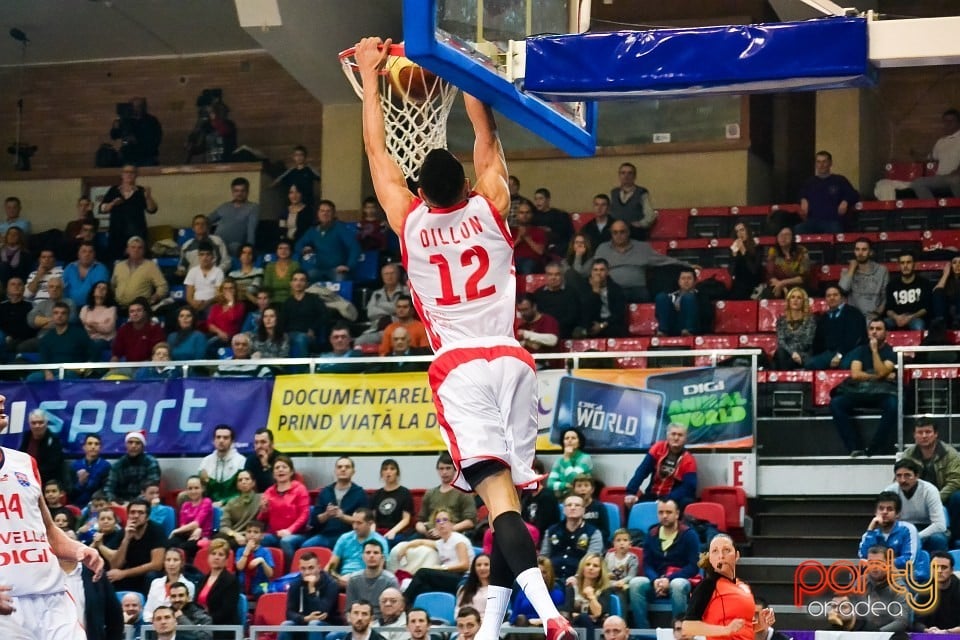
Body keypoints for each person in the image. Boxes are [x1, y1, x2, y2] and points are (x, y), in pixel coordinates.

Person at [358, 35, 575, 640]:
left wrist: (374, 77)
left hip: (460, 366)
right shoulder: (493, 204)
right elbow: (488, 138)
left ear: (422, 191)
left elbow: (376, 149)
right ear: (468, 185)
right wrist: (473, 75)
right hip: (512, 358)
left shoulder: (409, 218)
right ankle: (492, 627)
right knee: (510, 502)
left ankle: (551, 615)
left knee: (501, 506)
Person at [0, 393, 105, 635]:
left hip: (52, 597)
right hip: (7, 605)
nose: (3, 398)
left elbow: (47, 531)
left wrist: (79, 549)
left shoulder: (25, 463)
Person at [627, 499, 700, 628]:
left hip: (681, 579)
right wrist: (655, 580)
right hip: (657, 580)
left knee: (677, 585)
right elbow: (647, 564)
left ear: (677, 514)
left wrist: (669, 579)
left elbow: (693, 566)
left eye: (668, 512)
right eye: (661, 512)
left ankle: (679, 630)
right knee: (635, 583)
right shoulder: (652, 534)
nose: (664, 516)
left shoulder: (689, 535)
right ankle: (643, 631)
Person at [829, 319, 898, 457]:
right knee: (836, 403)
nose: (874, 332)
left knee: (894, 405)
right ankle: (854, 447)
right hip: (859, 391)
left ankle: (874, 448)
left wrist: (874, 352)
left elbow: (881, 372)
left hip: (882, 393)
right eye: (871, 328)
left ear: (886, 333)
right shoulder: (860, 350)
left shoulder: (891, 352)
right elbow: (856, 374)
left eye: (878, 329)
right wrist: (879, 376)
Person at [682, 534, 770, 640]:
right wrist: (725, 630)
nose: (721, 556)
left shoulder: (744, 586)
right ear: (710, 558)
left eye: (726, 550)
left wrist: (760, 625)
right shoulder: (707, 585)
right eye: (715, 551)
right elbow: (688, 626)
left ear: (737, 555)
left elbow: (743, 627)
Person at [594, 220, 692, 303]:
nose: (618, 235)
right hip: (611, 289)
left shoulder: (642, 247)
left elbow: (664, 260)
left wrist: (687, 265)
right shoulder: (602, 248)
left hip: (637, 289)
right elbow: (591, 268)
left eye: (622, 232)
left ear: (628, 232)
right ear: (611, 234)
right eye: (615, 232)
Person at [901, 419, 960, 548]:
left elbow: (955, 481)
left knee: (958, 497)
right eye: (920, 432)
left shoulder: (950, 454)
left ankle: (956, 538)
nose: (924, 436)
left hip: (944, 497)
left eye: (928, 432)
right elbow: (900, 479)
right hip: (917, 500)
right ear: (914, 435)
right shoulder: (908, 455)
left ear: (936, 434)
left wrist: (935, 499)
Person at [397, 507, 475, 604]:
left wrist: (442, 568)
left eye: (445, 520)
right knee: (423, 588)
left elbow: (465, 565)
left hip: (463, 579)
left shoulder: (458, 540)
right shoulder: (441, 542)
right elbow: (421, 542)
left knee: (423, 572)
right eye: (438, 521)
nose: (441, 523)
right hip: (449, 576)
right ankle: (409, 609)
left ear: (452, 524)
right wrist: (406, 547)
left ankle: (402, 602)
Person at [624, 424, 698, 510]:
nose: (676, 438)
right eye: (673, 434)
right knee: (630, 503)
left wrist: (666, 499)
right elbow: (642, 471)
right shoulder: (658, 448)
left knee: (687, 502)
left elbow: (689, 487)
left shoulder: (689, 460)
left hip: (673, 498)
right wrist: (631, 492)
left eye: (680, 435)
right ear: (667, 436)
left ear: (685, 439)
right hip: (653, 494)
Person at [884, 458, 949, 552]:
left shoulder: (929, 490)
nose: (903, 480)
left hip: (927, 528)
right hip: (902, 528)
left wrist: (915, 537)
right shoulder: (890, 491)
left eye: (907, 475)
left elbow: (940, 525)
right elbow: (884, 519)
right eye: (899, 476)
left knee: (938, 539)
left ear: (916, 476)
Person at [304, 456, 368, 549]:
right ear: (335, 471)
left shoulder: (359, 493)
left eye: (347, 467)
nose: (343, 469)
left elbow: (363, 522)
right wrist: (327, 514)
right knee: (305, 547)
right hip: (325, 536)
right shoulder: (325, 492)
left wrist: (342, 516)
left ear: (353, 472)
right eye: (339, 467)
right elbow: (314, 521)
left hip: (349, 537)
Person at [99, 165, 158, 262]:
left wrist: (148, 197)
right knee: (116, 263)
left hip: (137, 235)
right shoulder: (113, 190)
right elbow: (102, 208)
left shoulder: (141, 191)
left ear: (136, 175)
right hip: (116, 235)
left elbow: (152, 210)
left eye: (132, 172)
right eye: (126, 172)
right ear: (122, 175)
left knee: (138, 262)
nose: (129, 174)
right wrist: (112, 203)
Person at [412, 452, 477, 539]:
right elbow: (419, 521)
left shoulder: (463, 492)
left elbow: (470, 522)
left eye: (448, 468)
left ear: (455, 470)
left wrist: (445, 530)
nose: (444, 472)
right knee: (400, 549)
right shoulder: (430, 493)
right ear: (437, 470)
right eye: (441, 469)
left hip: (454, 535)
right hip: (430, 534)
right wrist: (424, 530)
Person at [541, 495, 604, 582]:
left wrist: (577, 577)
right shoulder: (552, 531)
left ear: (583, 510)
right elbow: (544, 557)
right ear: (564, 509)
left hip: (580, 580)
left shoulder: (593, 533)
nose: (573, 508)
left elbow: (591, 560)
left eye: (577, 505)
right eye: (569, 505)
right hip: (551, 579)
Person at [258, 455, 311, 560]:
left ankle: (289, 573)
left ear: (291, 472)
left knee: (286, 541)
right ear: (273, 474)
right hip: (274, 533)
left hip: (296, 534)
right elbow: (261, 519)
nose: (280, 470)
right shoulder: (269, 492)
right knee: (258, 539)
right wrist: (263, 510)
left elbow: (304, 515)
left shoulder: (300, 489)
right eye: (277, 468)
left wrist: (289, 531)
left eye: (284, 467)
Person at [295, 199, 361, 282]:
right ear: (318, 213)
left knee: (340, 279)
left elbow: (355, 247)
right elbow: (298, 245)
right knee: (304, 279)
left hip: (336, 270)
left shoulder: (340, 228)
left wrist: (349, 266)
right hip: (317, 269)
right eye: (322, 211)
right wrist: (303, 249)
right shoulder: (313, 230)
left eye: (328, 211)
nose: (325, 214)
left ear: (333, 214)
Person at [795, 150, 859, 234]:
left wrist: (845, 201)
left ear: (830, 163)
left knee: (835, 229)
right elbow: (800, 195)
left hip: (832, 221)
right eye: (818, 162)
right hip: (812, 221)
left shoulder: (839, 180)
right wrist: (803, 199)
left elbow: (854, 194)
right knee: (797, 230)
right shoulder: (809, 182)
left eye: (824, 162)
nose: (821, 165)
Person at [805, 286, 867, 371]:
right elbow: (818, 343)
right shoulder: (823, 318)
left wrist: (839, 355)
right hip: (829, 353)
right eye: (829, 296)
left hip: (850, 352)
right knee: (810, 364)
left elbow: (853, 339)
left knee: (845, 365)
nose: (832, 298)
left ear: (842, 298)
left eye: (835, 295)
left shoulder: (853, 313)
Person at [281, 550, 340, 640]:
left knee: (314, 624)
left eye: (311, 568)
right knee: (286, 625)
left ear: (319, 567)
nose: (307, 572)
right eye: (303, 569)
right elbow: (289, 613)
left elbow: (322, 612)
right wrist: (305, 619)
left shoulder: (331, 584)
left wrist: (311, 589)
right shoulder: (295, 584)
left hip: (326, 625)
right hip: (304, 623)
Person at [326, 508, 389, 588]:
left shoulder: (380, 541)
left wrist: (355, 581)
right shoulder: (344, 538)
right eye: (353, 522)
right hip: (343, 579)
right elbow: (331, 567)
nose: (355, 526)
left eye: (359, 523)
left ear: (370, 524)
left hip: (368, 580)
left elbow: (381, 570)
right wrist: (338, 578)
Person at [858, 491, 920, 571]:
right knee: (858, 581)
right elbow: (863, 556)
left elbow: (909, 559)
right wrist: (870, 531)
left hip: (901, 576)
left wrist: (881, 564)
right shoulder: (871, 532)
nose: (884, 512)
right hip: (876, 575)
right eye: (881, 508)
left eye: (889, 509)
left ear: (897, 514)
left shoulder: (908, 529)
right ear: (875, 512)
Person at [909, 108, 960, 199]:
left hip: (956, 177)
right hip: (941, 178)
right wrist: (915, 154)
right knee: (917, 183)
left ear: (958, 122)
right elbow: (929, 158)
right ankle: (933, 210)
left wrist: (957, 172)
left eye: (951, 121)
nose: (948, 124)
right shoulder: (941, 141)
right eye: (946, 121)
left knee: (955, 180)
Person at [560, 552, 615, 636]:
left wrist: (591, 596)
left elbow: (598, 613)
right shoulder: (572, 587)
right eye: (588, 564)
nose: (591, 568)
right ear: (583, 567)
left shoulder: (604, 589)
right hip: (574, 626)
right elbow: (568, 612)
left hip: (596, 628)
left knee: (583, 618)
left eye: (595, 566)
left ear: (601, 571)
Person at [111, 236, 169, 309]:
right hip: (118, 307)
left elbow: (163, 286)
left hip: (140, 308)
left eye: (140, 248)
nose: (136, 250)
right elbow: (113, 285)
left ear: (144, 251)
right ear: (127, 250)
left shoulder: (150, 266)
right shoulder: (119, 266)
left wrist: (156, 297)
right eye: (133, 247)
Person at [838, 237, 888, 321]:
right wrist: (852, 268)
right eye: (857, 249)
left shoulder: (882, 270)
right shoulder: (847, 271)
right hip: (853, 317)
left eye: (864, 249)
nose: (860, 253)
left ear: (871, 252)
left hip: (873, 317)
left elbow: (885, 297)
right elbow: (843, 289)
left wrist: (877, 313)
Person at [106, 430, 162, 504]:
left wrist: (132, 504)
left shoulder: (151, 462)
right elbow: (109, 487)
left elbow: (151, 488)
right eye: (130, 442)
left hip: (144, 502)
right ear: (126, 445)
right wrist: (112, 501)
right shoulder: (118, 464)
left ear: (143, 446)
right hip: (121, 503)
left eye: (137, 443)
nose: (133, 446)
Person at [197, 538, 241, 631]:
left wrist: (205, 621)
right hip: (202, 625)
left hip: (222, 628)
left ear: (226, 560)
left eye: (221, 554)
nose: (216, 557)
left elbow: (226, 611)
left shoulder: (231, 581)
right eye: (213, 553)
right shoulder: (202, 579)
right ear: (208, 557)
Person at [282, 270, 329, 357]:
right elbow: (283, 322)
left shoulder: (314, 299)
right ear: (291, 283)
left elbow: (324, 315)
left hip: (309, 335)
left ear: (307, 283)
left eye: (302, 280)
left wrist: (313, 329)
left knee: (301, 339)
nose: (298, 283)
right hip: (290, 334)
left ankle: (303, 369)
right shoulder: (287, 302)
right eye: (295, 280)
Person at [208, 177, 259, 256]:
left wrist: (250, 248)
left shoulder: (253, 207)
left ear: (247, 192)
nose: (239, 194)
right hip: (217, 243)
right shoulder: (225, 206)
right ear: (232, 192)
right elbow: (207, 220)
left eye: (242, 191)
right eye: (236, 191)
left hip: (235, 246)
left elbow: (251, 230)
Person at [510, 557, 566, 628]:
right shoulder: (522, 593)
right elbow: (513, 618)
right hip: (523, 629)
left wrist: (540, 621)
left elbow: (560, 618)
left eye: (544, 572)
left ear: (550, 575)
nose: (541, 576)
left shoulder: (558, 595)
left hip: (547, 630)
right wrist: (528, 622)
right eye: (538, 572)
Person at [167, 476, 214, 561]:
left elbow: (196, 523)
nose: (193, 491)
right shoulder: (185, 505)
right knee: (170, 544)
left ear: (202, 489)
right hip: (187, 534)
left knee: (182, 549)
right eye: (190, 488)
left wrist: (175, 531)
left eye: (196, 488)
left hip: (203, 536)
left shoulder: (206, 502)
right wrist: (195, 529)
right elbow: (183, 525)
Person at [346, 543, 399, 617]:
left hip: (383, 624)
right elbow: (349, 610)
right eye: (368, 552)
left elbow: (394, 612)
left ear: (382, 557)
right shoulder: (353, 580)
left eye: (376, 553)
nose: (371, 555)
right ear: (363, 557)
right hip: (359, 622)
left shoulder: (390, 581)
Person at [369, 458, 414, 545]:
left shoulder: (405, 493)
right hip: (379, 531)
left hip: (398, 532)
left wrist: (393, 532)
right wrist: (372, 534)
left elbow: (406, 519)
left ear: (397, 473)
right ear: (381, 474)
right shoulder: (376, 494)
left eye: (392, 469)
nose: (388, 472)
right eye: (385, 469)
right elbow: (372, 519)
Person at [198, 424, 246, 505]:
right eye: (218, 437)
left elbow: (242, 492)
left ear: (232, 441)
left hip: (232, 503)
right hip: (209, 503)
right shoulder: (206, 461)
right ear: (213, 440)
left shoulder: (241, 461)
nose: (221, 440)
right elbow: (200, 489)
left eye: (225, 438)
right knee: (183, 496)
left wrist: (223, 502)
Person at [144, 548, 196, 622]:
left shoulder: (189, 585)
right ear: (164, 563)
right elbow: (148, 609)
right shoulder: (155, 583)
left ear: (182, 563)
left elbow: (187, 611)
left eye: (175, 560)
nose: (171, 564)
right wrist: (153, 622)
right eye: (168, 560)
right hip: (152, 625)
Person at [534, 262, 583, 339]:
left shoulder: (572, 293)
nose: (553, 277)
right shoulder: (538, 294)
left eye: (557, 274)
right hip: (543, 333)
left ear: (562, 276)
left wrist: (555, 327)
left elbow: (573, 316)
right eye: (550, 274)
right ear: (546, 276)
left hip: (565, 332)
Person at [884, 251, 932, 331]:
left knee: (918, 326)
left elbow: (926, 308)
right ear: (899, 266)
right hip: (896, 318)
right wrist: (896, 317)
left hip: (915, 318)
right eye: (902, 263)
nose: (905, 266)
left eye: (908, 262)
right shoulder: (892, 285)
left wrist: (911, 317)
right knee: (880, 325)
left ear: (914, 264)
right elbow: (888, 310)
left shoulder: (924, 283)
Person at [111, 296, 165, 366]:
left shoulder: (155, 328)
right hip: (128, 366)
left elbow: (159, 352)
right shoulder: (124, 329)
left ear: (145, 312)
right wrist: (113, 365)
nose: (135, 314)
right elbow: (116, 353)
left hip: (149, 366)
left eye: (138, 310)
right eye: (132, 311)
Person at [609, 162, 657, 239]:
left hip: (635, 233)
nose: (626, 176)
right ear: (619, 176)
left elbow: (650, 215)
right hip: (616, 234)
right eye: (623, 173)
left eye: (629, 173)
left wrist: (641, 224)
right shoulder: (613, 193)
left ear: (634, 176)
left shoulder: (642, 192)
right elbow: (608, 213)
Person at [18, 409, 65, 486]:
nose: (37, 426)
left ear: (46, 423)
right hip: (26, 479)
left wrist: (33, 474)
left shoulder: (53, 440)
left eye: (40, 422)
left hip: (48, 482)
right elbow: (21, 457)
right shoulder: (27, 437)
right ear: (29, 424)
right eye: (34, 423)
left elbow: (52, 466)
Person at [215, 471, 261, 550]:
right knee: (217, 540)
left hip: (252, 535)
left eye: (247, 479)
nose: (243, 482)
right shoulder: (231, 502)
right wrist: (234, 534)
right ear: (237, 485)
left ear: (253, 483)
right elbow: (224, 526)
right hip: (234, 534)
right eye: (240, 480)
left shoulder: (261, 499)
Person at [110, 97, 162, 166]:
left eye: (138, 106)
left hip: (146, 157)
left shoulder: (151, 120)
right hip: (128, 156)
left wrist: (137, 140)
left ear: (143, 107)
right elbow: (114, 136)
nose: (135, 109)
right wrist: (115, 127)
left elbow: (156, 138)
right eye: (133, 106)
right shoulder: (126, 120)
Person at [773, 287, 816, 370]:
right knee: (780, 352)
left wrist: (796, 353)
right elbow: (781, 341)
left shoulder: (810, 320)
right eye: (793, 297)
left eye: (799, 298)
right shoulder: (781, 321)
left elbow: (807, 342)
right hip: (787, 354)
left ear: (804, 301)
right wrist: (792, 353)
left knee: (784, 358)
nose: (795, 300)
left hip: (803, 355)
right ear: (788, 301)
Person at [274, 145, 322, 220]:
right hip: (294, 204)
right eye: (296, 155)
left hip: (308, 203)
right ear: (293, 157)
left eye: (301, 155)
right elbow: (278, 181)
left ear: (305, 157)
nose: (299, 157)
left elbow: (321, 178)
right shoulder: (291, 171)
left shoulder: (309, 170)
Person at [762, 227, 812, 299]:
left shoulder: (802, 251)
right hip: (777, 285)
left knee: (798, 293)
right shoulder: (773, 251)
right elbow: (770, 274)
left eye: (787, 235)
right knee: (768, 293)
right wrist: (779, 285)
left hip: (796, 284)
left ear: (792, 238)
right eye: (780, 235)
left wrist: (783, 283)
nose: (783, 237)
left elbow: (803, 277)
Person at [916, 551, 960, 633]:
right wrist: (926, 630)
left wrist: (947, 632)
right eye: (935, 567)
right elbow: (916, 622)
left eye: (944, 567)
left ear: (951, 570)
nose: (939, 571)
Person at [655, 268, 705, 337]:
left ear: (695, 281)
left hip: (693, 325)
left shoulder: (701, 296)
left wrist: (690, 308)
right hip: (674, 325)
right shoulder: (671, 296)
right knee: (661, 297)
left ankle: (688, 331)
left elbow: (707, 316)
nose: (686, 281)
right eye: (683, 278)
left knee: (688, 298)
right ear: (678, 281)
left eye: (689, 278)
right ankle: (663, 331)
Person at [68, 433, 111, 508]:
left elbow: (106, 490)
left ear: (100, 447)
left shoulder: (105, 466)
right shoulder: (75, 466)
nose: (93, 447)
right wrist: (80, 483)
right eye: (90, 444)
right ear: (84, 447)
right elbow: (69, 492)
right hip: (77, 506)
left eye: (96, 444)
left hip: (97, 506)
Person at [62, 242, 110, 308]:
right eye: (83, 251)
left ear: (94, 254)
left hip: (92, 307)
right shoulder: (70, 267)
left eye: (90, 252)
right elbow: (63, 288)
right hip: (70, 307)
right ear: (78, 254)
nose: (87, 254)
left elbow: (101, 294)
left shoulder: (101, 269)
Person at [235, 520, 275, 597]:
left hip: (260, 583)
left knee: (260, 591)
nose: (252, 534)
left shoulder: (265, 551)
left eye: (256, 532)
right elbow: (240, 567)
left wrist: (262, 561)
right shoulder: (240, 550)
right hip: (243, 584)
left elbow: (270, 574)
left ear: (262, 536)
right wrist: (247, 551)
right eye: (249, 532)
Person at [547, 429, 593, 497]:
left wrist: (566, 460)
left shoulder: (585, 458)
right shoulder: (559, 461)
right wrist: (565, 485)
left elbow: (573, 479)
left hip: (580, 496)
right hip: (562, 497)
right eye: (566, 438)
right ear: (563, 442)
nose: (569, 440)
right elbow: (550, 484)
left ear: (579, 443)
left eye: (573, 438)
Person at [184, 242, 226, 316]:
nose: (205, 257)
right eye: (202, 254)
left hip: (212, 305)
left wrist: (206, 303)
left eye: (208, 254)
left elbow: (218, 295)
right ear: (198, 256)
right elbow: (188, 296)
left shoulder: (218, 272)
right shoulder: (192, 271)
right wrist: (194, 304)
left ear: (212, 256)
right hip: (195, 305)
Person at [0, 277, 35, 362]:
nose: (16, 286)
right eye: (13, 284)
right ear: (7, 289)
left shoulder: (31, 306)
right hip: (4, 339)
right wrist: (7, 336)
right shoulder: (1, 306)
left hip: (24, 339)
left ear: (23, 289)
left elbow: (32, 327)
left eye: (19, 284)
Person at [511, 198, 550, 274]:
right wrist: (518, 239)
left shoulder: (539, 231)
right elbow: (505, 251)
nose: (524, 215)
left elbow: (540, 251)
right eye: (521, 213)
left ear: (531, 214)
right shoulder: (510, 231)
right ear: (517, 215)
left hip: (532, 262)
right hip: (513, 262)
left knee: (527, 265)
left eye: (527, 213)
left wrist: (527, 238)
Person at [79, 280, 118, 349]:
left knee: (97, 344)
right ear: (93, 292)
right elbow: (84, 327)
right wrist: (100, 325)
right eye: (98, 287)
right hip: (88, 339)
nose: (101, 289)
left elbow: (108, 329)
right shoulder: (85, 308)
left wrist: (92, 325)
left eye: (104, 288)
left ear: (107, 293)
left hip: (106, 340)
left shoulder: (112, 309)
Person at [729, 222, 763, 300]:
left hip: (753, 284)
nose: (739, 233)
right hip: (738, 286)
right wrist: (734, 255)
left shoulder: (758, 248)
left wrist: (744, 251)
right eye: (737, 231)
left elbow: (754, 270)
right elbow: (731, 272)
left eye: (742, 230)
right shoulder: (734, 249)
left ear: (748, 231)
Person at [244, 427, 282, 492]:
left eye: (263, 442)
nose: (259, 446)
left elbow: (278, 486)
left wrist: (265, 465)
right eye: (256, 443)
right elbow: (246, 485)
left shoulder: (281, 459)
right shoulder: (251, 460)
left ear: (272, 444)